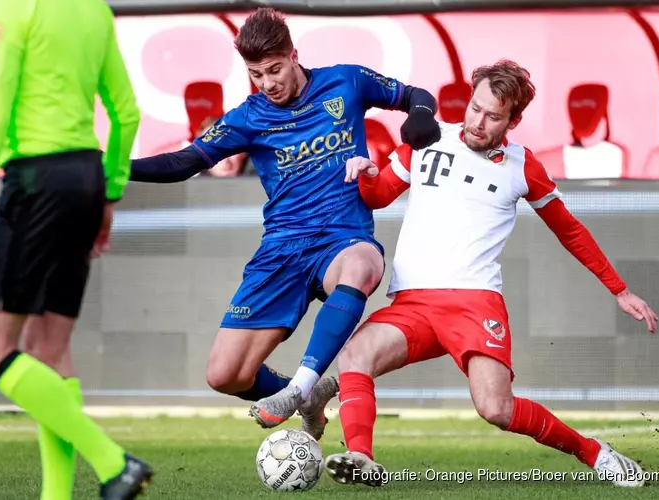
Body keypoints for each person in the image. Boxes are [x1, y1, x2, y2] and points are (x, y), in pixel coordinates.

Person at [324, 59, 658, 488]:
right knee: (355, 356)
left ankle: (594, 452)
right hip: (413, 302)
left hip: (473, 302)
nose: (477, 122)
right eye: (474, 108)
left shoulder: (523, 167)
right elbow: (380, 195)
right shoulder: (426, 139)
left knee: (496, 409)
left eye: (492, 116)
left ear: (513, 120)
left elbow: (569, 230)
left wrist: (619, 289)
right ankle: (361, 458)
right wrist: (365, 175)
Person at [129, 7, 442, 440]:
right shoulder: (248, 117)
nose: (268, 83)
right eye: (256, 74)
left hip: (341, 238)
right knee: (225, 375)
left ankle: (301, 387)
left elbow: (417, 95)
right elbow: (182, 163)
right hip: (281, 248)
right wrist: (113, 169)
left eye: (274, 69)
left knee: (362, 266)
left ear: (294, 55)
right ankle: (310, 399)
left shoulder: (346, 81)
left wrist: (420, 117)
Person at [0, 1, 153, 499]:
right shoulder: (93, 10)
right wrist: (110, 192)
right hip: (86, 179)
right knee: (50, 350)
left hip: (36, 180)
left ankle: (112, 462)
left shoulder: (10, 7)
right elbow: (126, 111)